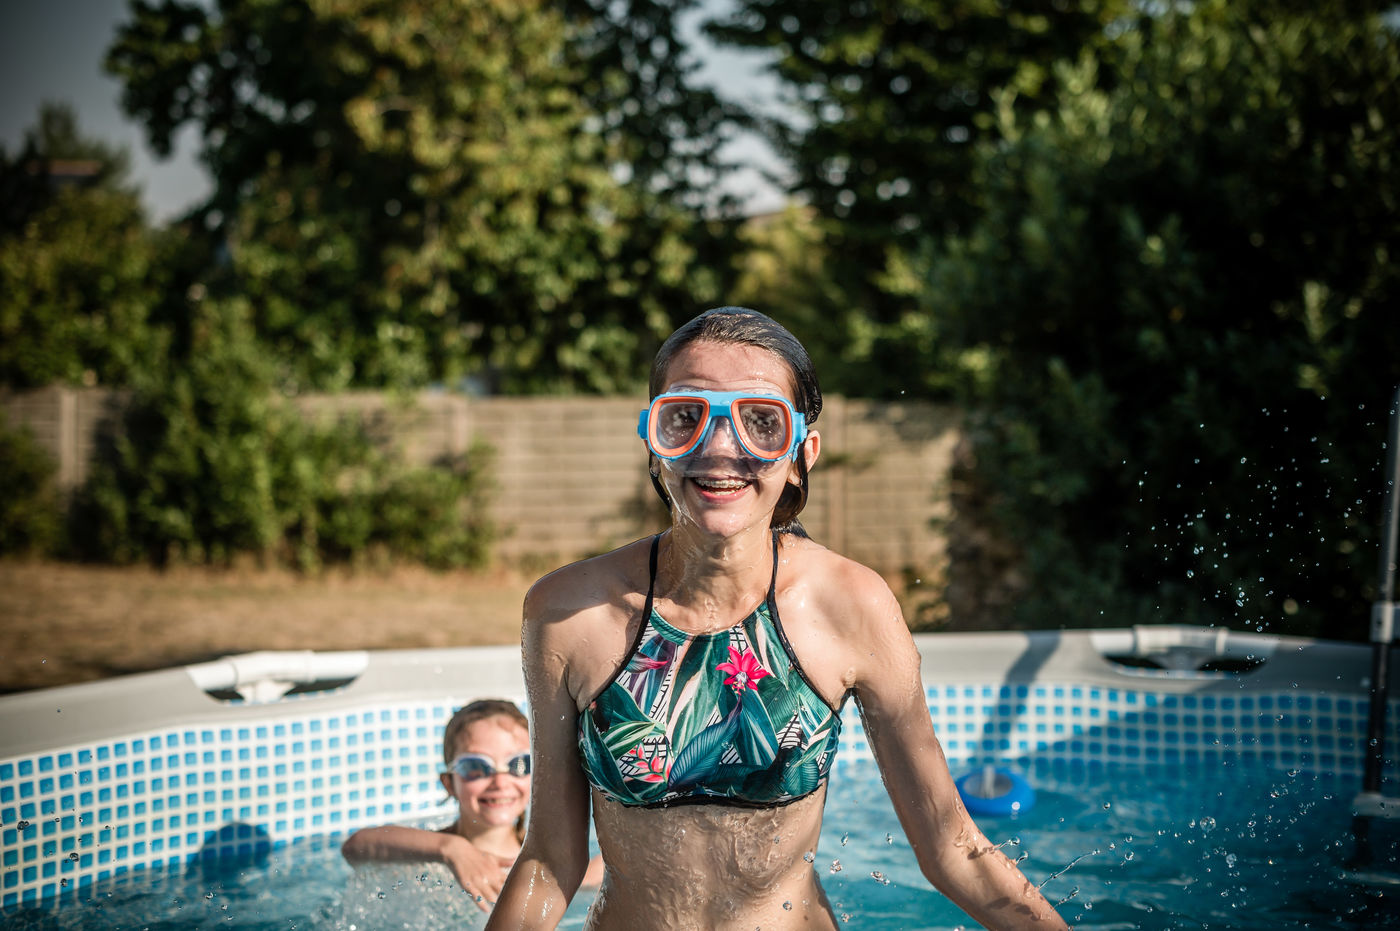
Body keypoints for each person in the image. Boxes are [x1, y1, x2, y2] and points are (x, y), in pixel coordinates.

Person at [486, 306, 1068, 930]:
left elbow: (951, 847)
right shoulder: (568, 613)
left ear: (800, 454)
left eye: (761, 422)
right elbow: (549, 860)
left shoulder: (851, 606)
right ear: (654, 443)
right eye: (686, 418)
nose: (719, 448)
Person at [341, 698, 602, 912]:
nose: (500, 782)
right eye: (476, 767)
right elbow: (355, 847)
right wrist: (451, 849)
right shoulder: (432, 851)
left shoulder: (548, 859)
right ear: (449, 784)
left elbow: (597, 874)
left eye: (519, 764)